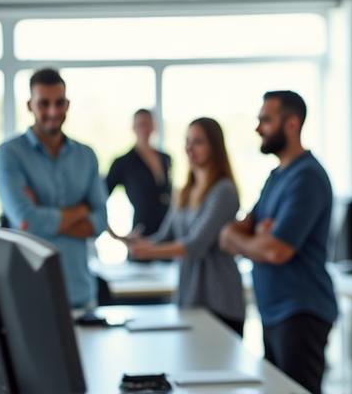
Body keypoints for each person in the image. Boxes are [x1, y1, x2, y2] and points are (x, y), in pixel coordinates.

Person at [219, 91, 337, 394]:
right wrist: (255, 236)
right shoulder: (277, 176)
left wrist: (259, 239)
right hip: (274, 311)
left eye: (266, 120)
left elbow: (276, 250)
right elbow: (230, 233)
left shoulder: (307, 177)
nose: (259, 128)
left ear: (292, 123)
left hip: (300, 312)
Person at [0, 68, 107, 310]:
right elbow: (26, 221)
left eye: (59, 103)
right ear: (29, 105)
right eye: (44, 103)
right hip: (30, 298)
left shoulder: (86, 156)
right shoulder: (9, 154)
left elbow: (100, 221)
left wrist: (44, 217)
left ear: (67, 104)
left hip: (81, 297)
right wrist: (80, 210)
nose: (53, 111)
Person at [126, 117, 245, 336]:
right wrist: (136, 242)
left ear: (214, 147)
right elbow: (165, 236)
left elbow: (196, 244)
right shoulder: (184, 192)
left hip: (219, 300)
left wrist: (148, 251)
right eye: (187, 141)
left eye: (198, 142)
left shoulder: (223, 191)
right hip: (189, 297)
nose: (189, 148)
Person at [106, 109, 172, 237]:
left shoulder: (165, 158)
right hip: (141, 235)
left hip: (167, 234)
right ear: (133, 128)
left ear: (154, 126)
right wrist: (116, 236)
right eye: (141, 124)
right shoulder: (123, 162)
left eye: (148, 124)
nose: (145, 129)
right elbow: (100, 199)